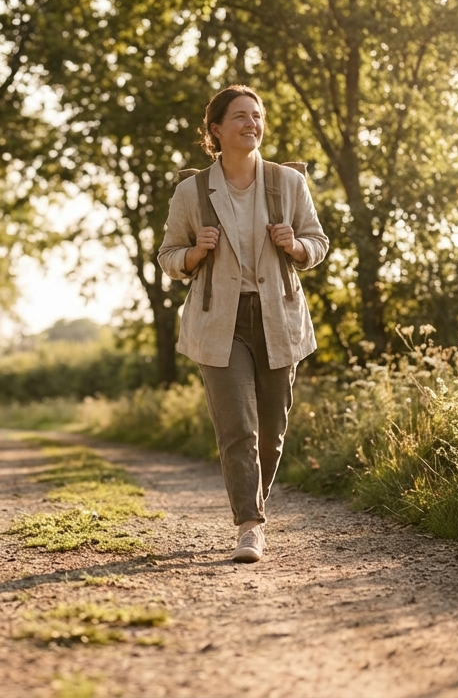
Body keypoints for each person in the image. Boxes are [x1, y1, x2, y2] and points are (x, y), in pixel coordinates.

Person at [157, 85, 329, 562]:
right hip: (220, 322)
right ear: (216, 129)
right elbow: (168, 255)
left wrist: (296, 246)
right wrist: (194, 253)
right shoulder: (191, 192)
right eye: (240, 116)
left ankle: (254, 506)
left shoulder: (288, 183)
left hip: (278, 317)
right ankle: (250, 527)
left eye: (257, 115)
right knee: (238, 429)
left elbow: (318, 242)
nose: (251, 123)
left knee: (272, 433)